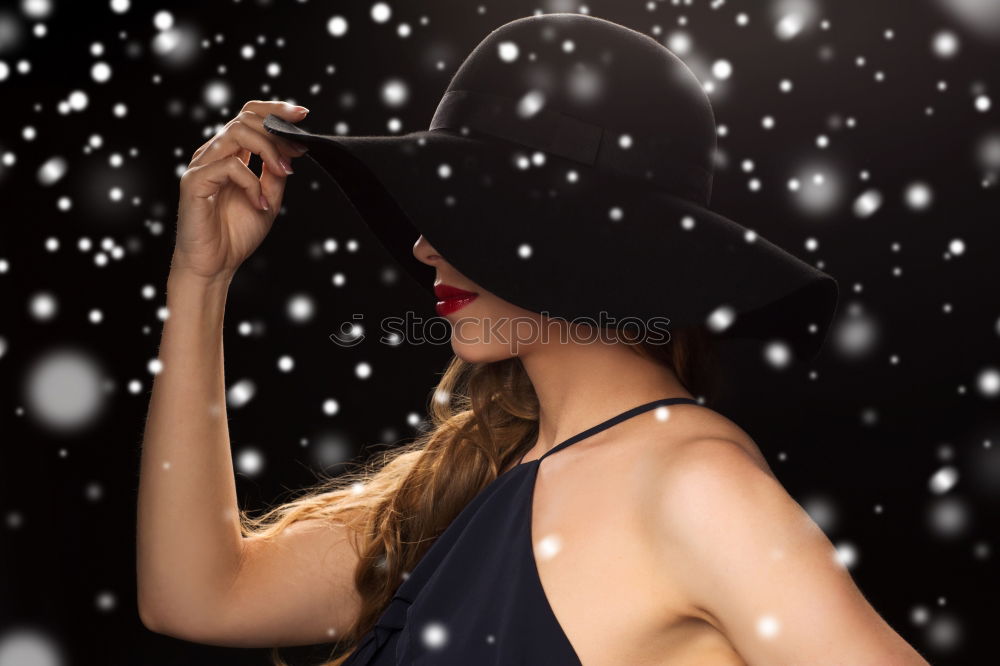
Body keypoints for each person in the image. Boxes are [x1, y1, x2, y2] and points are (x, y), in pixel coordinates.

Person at [137, 13, 931, 666]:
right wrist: (199, 282)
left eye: (469, 215)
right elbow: (197, 596)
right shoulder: (470, 480)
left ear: (574, 237)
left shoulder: (692, 485)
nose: (422, 247)